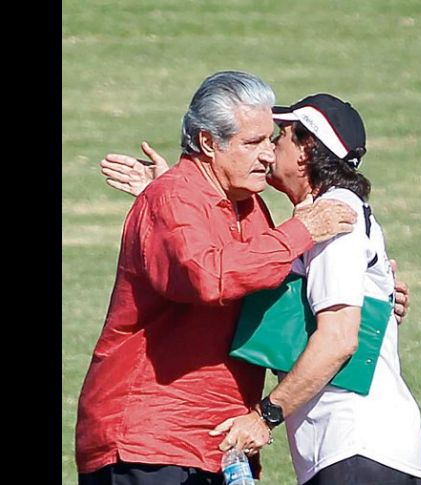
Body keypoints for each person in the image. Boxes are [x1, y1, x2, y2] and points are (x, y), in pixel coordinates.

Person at [75, 71, 359, 485]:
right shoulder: (174, 197)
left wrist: (365, 292)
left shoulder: (249, 206)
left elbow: (267, 284)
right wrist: (301, 230)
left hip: (216, 442)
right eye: (252, 143)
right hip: (149, 439)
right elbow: (206, 276)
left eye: (271, 140)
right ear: (209, 142)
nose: (267, 155)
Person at [211, 93, 421, 484]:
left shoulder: (335, 218)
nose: (270, 148)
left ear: (307, 149)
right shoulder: (324, 215)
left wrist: (265, 416)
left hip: (357, 447)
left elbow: (339, 339)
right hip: (353, 449)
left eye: (280, 136)